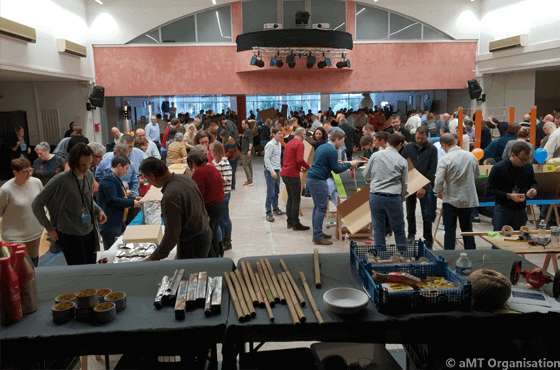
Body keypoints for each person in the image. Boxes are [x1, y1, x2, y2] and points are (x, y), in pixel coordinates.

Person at [32, 143, 107, 265]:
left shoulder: (88, 175)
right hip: (70, 235)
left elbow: (87, 199)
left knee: (91, 268)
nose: (87, 168)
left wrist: (98, 210)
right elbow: (36, 204)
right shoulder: (60, 180)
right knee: (79, 272)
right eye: (83, 164)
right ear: (73, 162)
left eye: (89, 163)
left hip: (89, 230)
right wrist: (49, 228)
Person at [141, 158, 211, 260]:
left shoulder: (170, 196)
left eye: (147, 179)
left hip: (192, 243)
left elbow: (171, 236)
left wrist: (153, 258)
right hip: (203, 232)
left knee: (189, 273)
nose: (150, 184)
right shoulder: (184, 178)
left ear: (152, 176)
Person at [306, 131, 359, 245]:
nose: (342, 145)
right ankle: (317, 236)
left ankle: (317, 232)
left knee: (317, 207)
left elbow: (323, 162)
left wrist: (335, 162)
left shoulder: (323, 146)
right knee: (321, 208)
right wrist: (350, 164)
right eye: (342, 142)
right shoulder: (332, 150)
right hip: (318, 180)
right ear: (337, 140)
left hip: (311, 178)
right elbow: (336, 170)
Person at [434, 134, 479, 250]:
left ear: (443, 145)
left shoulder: (445, 159)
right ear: (456, 142)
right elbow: (477, 174)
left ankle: (449, 255)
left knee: (449, 230)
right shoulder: (471, 156)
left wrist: (439, 191)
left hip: (450, 199)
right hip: (467, 199)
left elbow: (438, 180)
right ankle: (472, 253)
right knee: (467, 229)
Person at [363, 133, 408, 247]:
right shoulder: (402, 160)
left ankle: (380, 256)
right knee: (398, 229)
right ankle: (403, 256)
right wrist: (403, 194)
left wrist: (372, 182)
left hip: (376, 196)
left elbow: (366, 175)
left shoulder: (375, 156)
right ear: (400, 144)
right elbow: (404, 183)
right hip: (393, 197)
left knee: (378, 228)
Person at [0, 158, 44, 266]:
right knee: (20, 265)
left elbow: (41, 202)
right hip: (14, 235)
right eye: (25, 172)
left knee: (34, 262)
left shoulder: (36, 182)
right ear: (15, 172)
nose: (29, 173)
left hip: (34, 231)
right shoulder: (6, 190)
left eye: (30, 170)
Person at [487, 141, 538, 231]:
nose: (525, 162)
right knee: (500, 240)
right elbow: (489, 190)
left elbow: (533, 182)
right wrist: (509, 195)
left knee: (519, 239)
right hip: (503, 209)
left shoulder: (528, 167)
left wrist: (533, 189)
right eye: (522, 159)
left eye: (527, 159)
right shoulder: (499, 168)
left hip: (521, 210)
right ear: (513, 155)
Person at [401, 126, 437, 249]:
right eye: (417, 137)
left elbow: (432, 170)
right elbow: (404, 166)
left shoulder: (432, 149)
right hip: (410, 184)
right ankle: (411, 235)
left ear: (427, 136)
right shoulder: (408, 148)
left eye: (422, 138)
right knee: (410, 212)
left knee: (427, 214)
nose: (419, 140)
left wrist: (423, 186)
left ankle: (428, 239)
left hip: (425, 186)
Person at [97, 155, 142, 250]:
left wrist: (129, 196)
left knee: (119, 247)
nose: (127, 171)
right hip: (111, 222)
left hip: (118, 220)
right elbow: (113, 199)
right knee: (113, 249)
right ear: (119, 166)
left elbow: (117, 194)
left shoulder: (114, 177)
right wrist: (132, 203)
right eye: (126, 168)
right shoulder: (109, 179)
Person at [187, 151, 224, 258]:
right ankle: (217, 255)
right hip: (219, 204)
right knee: (214, 233)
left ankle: (212, 258)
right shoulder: (212, 168)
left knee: (208, 236)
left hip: (210, 207)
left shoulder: (199, 172)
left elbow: (199, 192)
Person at [281, 127, 311, 230]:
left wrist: (299, 168)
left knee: (290, 197)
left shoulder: (289, 143)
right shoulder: (300, 144)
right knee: (296, 199)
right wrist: (308, 166)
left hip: (285, 172)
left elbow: (290, 159)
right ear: (303, 135)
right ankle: (295, 223)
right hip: (292, 174)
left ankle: (289, 222)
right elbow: (299, 160)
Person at [211, 142, 233, 253]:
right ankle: (222, 238)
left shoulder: (224, 162)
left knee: (224, 218)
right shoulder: (214, 162)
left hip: (224, 194)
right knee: (219, 219)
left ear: (216, 151)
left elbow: (228, 178)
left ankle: (227, 241)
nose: (210, 152)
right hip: (218, 194)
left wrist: (215, 178)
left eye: (211, 150)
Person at [263, 127, 285, 222]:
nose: (281, 135)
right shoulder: (270, 145)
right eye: (279, 133)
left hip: (277, 170)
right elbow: (266, 159)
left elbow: (277, 159)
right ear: (273, 134)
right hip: (270, 171)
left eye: (282, 133)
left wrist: (279, 169)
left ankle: (275, 208)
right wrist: (272, 171)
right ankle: (268, 212)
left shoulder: (279, 144)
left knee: (276, 191)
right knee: (270, 192)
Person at [241, 120, 254, 186]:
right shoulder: (247, 131)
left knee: (245, 165)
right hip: (246, 150)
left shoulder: (248, 131)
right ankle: (250, 180)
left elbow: (250, 141)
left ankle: (249, 179)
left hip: (247, 151)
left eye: (243, 124)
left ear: (246, 124)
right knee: (249, 165)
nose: (241, 125)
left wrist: (249, 150)